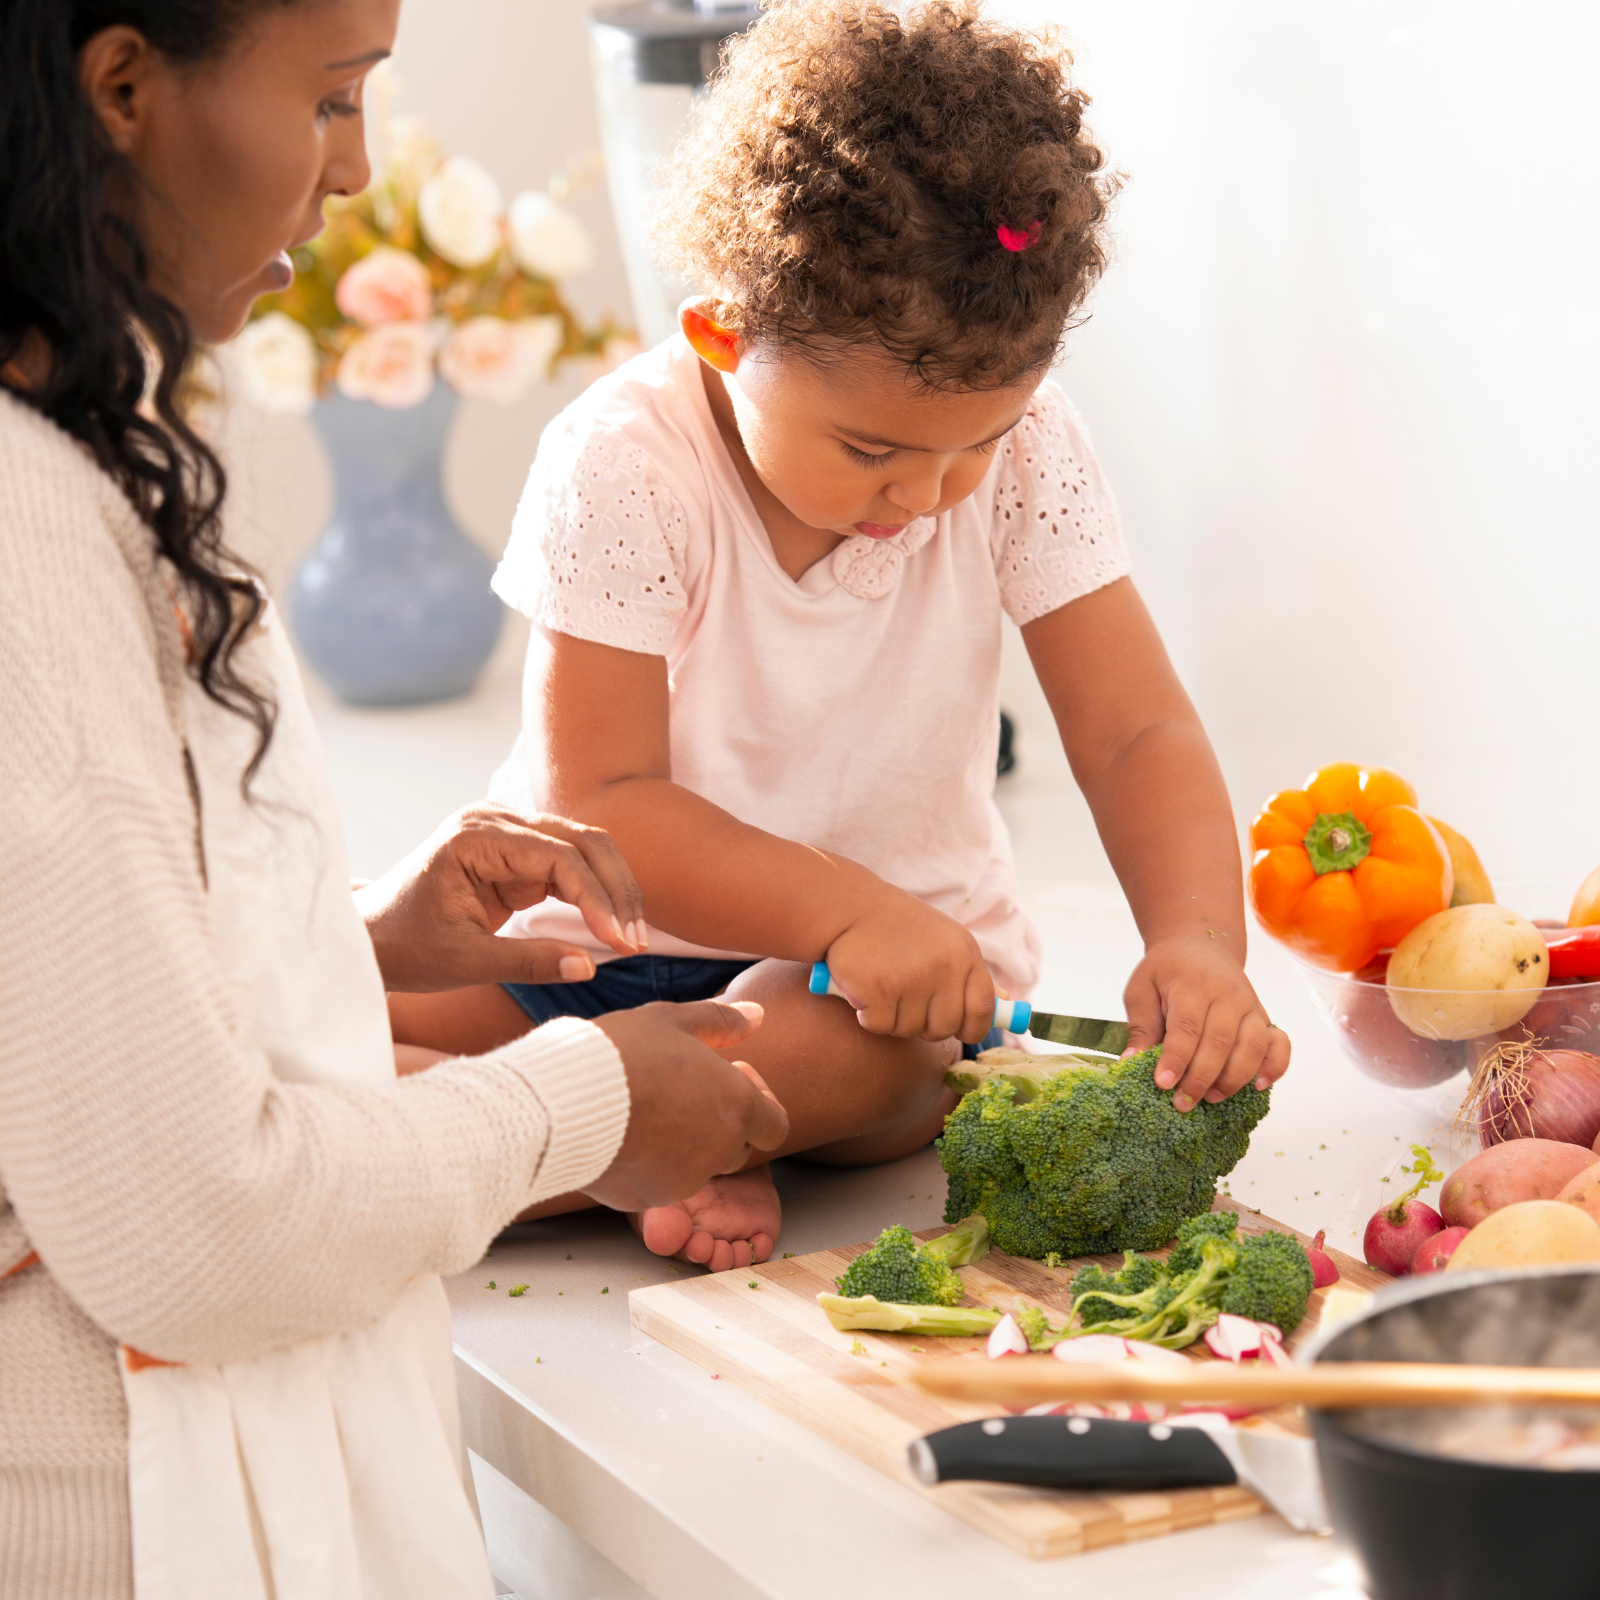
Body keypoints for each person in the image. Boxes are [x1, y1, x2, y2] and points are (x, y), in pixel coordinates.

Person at [0, 3, 787, 1596]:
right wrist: (587, 1103)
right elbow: (201, 1233)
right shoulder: (26, 543)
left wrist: (357, 945)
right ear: (126, 89)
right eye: (335, 99)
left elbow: (57, 1040)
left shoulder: (61, 470)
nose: (355, 171)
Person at [391, 1, 1292, 1273]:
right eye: (871, 450)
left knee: (811, 1052)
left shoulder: (1031, 452)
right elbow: (600, 797)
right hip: (589, 953)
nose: (925, 497)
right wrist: (841, 906)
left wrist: (1196, 941)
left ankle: (543, 1148)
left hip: (873, 1003)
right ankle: (621, 1141)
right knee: (313, 1016)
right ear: (722, 333)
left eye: (972, 443)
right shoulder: (623, 462)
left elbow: (1134, 726)